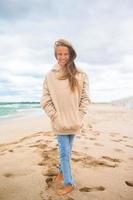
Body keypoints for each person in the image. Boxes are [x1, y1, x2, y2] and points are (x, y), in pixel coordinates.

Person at [40, 38, 91, 195]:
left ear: (71, 54)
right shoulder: (50, 75)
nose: (62, 57)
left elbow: (85, 98)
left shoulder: (81, 74)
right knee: (64, 152)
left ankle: (63, 173)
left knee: (68, 152)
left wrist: (79, 116)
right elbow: (45, 98)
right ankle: (69, 182)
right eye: (59, 54)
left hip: (75, 121)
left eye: (65, 54)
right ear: (55, 55)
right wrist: (54, 116)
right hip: (59, 122)